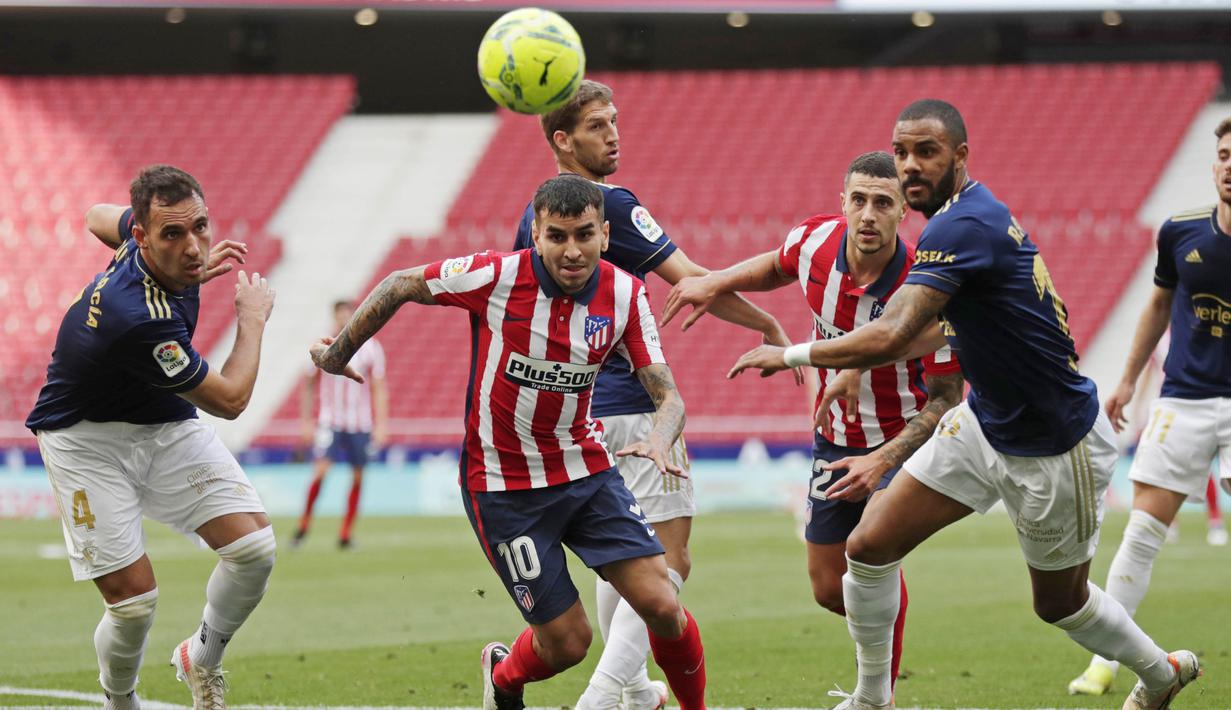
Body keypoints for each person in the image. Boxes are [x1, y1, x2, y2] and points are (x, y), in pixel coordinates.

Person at [726, 100, 1201, 710]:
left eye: (926, 152)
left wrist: (795, 355)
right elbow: (932, 328)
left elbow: (897, 330)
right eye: (900, 153)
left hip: (1052, 445)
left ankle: (1158, 672)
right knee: (867, 549)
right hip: (984, 424)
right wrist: (856, 363)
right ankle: (873, 699)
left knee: (1059, 602)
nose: (909, 167)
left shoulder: (963, 226)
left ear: (960, 157)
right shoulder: (956, 223)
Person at [311, 175, 707, 710]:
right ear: (536, 235)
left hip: (585, 472)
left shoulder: (626, 293)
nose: (572, 251)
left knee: (662, 602)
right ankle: (503, 678)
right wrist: (339, 353)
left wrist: (661, 437)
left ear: (606, 235)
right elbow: (402, 281)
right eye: (558, 236)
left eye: (584, 235)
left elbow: (669, 396)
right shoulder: (496, 276)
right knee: (568, 642)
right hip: (502, 486)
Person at [512, 79, 792, 710]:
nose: (614, 134)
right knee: (668, 562)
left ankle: (636, 691)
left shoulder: (535, 218)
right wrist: (768, 325)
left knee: (623, 561)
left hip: (567, 417)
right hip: (636, 407)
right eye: (597, 125)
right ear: (563, 140)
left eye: (615, 121)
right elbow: (693, 280)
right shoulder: (608, 206)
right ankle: (605, 696)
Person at [661, 151, 964, 694]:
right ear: (841, 203)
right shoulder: (815, 243)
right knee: (829, 587)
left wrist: (849, 365)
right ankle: (884, 621)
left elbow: (946, 397)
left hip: (902, 443)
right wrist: (714, 281)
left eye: (882, 203)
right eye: (859, 200)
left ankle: (878, 693)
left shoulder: (924, 288)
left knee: (868, 552)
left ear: (902, 212)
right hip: (835, 437)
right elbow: (777, 265)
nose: (868, 215)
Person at [26, 165, 277, 710]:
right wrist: (251, 320)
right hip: (83, 438)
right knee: (134, 604)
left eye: (201, 228)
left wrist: (180, 254)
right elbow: (231, 400)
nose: (194, 247)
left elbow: (96, 216)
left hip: (159, 422)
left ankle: (201, 659)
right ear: (142, 237)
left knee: (254, 550)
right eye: (173, 235)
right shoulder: (137, 317)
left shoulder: (141, 240)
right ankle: (120, 700)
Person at [1067, 116, 1231, 697]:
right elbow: (1157, 306)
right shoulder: (1181, 232)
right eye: (1225, 155)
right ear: (1214, 164)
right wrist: (1128, 382)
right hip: (1182, 399)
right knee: (1140, 532)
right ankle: (1105, 664)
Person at [292, 299, 388, 550]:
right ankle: (302, 527)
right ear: (334, 317)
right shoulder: (323, 345)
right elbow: (309, 384)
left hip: (360, 424)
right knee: (321, 472)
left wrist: (381, 424)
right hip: (330, 421)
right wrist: (306, 422)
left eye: (348, 314)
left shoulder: (370, 348)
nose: (344, 319)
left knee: (358, 477)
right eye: (340, 315)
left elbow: (378, 387)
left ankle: (345, 534)